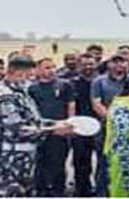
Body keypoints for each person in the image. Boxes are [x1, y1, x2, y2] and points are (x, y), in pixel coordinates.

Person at [0, 55, 73, 197]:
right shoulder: (4, 96)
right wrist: (53, 130)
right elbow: (18, 129)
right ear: (19, 72)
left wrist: (57, 123)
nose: (30, 79)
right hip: (10, 159)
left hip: (26, 158)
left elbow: (33, 120)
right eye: (29, 75)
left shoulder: (21, 93)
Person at [28, 57, 75, 197]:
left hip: (60, 130)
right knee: (40, 162)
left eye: (53, 67)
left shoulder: (65, 85)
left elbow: (71, 104)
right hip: (40, 131)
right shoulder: (32, 88)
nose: (52, 70)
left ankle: (58, 191)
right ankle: (40, 190)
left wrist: (69, 124)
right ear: (38, 70)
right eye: (47, 67)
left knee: (58, 162)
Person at [91, 53, 129, 196]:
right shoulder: (99, 81)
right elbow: (96, 104)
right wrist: (113, 120)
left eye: (122, 61)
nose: (119, 65)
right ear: (108, 64)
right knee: (104, 163)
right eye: (115, 62)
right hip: (107, 128)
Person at [71, 52, 99, 197]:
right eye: (84, 64)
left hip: (101, 127)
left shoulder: (102, 82)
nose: (88, 67)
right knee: (81, 162)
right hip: (79, 128)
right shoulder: (72, 84)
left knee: (103, 162)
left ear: (96, 64)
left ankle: (101, 190)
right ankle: (82, 190)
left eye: (91, 64)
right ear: (78, 66)